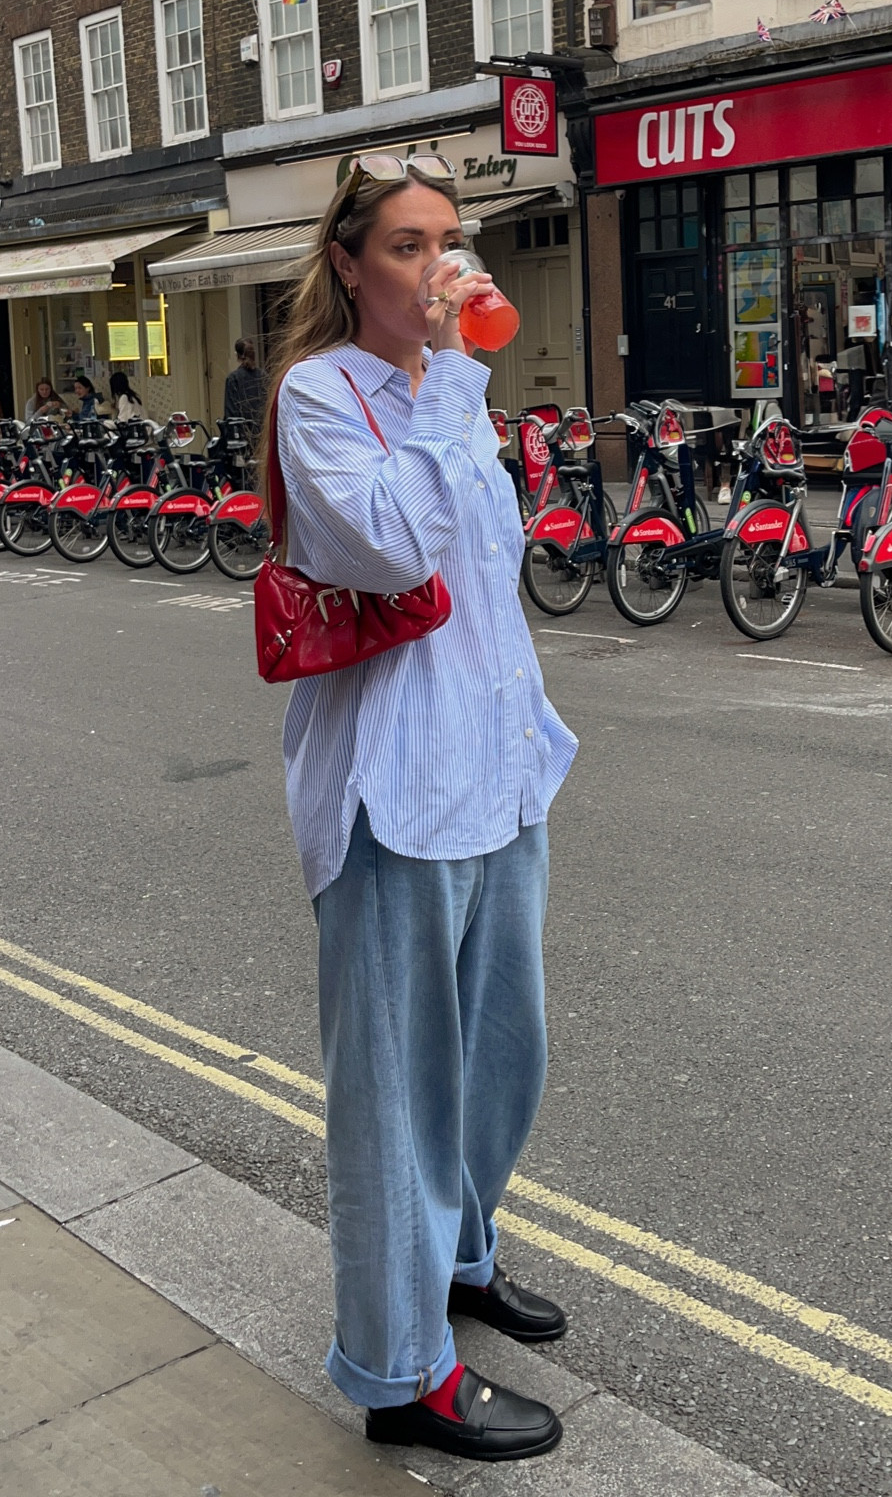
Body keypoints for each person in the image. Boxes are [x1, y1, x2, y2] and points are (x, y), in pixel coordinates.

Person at [264, 150, 577, 1465]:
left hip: (496, 772)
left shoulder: (453, 397)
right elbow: (387, 549)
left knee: (503, 1056)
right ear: (347, 266)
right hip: (393, 792)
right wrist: (450, 380)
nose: (435, 265)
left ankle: (455, 1253)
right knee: (393, 1093)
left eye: (443, 239)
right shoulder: (318, 396)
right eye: (403, 245)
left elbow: (487, 577)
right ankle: (400, 1371)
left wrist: (532, 735)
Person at [223, 337, 268, 429]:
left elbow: (230, 413)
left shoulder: (233, 379)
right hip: (263, 431)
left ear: (237, 355)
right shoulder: (264, 376)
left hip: (242, 432)